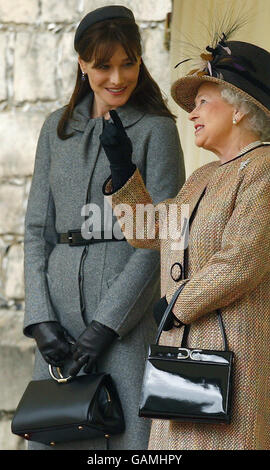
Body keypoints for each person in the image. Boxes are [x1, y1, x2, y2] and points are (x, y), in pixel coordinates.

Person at [22, 5, 185, 450]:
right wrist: (39, 319)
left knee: (125, 439)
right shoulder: (55, 131)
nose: (117, 78)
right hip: (58, 327)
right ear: (82, 64)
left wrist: (107, 326)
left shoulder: (157, 131)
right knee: (58, 434)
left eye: (128, 63)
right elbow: (38, 230)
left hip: (123, 326)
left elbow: (162, 237)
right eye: (103, 66)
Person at [101, 35, 270, 450]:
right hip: (182, 363)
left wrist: (175, 306)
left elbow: (241, 261)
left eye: (202, 102)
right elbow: (148, 231)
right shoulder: (202, 178)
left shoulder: (264, 169)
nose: (191, 114)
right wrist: (123, 169)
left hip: (234, 360)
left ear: (239, 107)